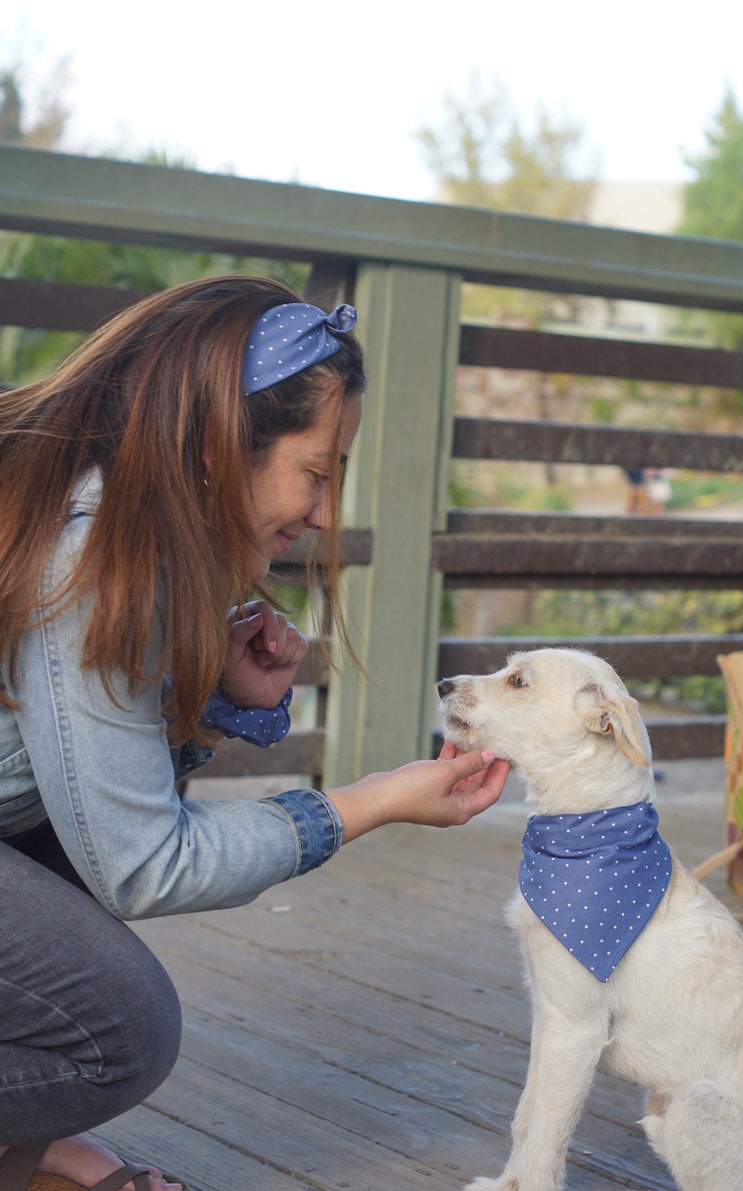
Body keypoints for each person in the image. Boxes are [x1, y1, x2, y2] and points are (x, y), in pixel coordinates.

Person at [0, 276, 510, 1191]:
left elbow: (80, 799)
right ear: (219, 446)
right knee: (120, 1026)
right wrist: (367, 803)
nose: (323, 513)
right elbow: (141, 864)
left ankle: (27, 1151)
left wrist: (204, 708)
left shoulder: (127, 534)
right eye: (317, 473)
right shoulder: (89, 552)